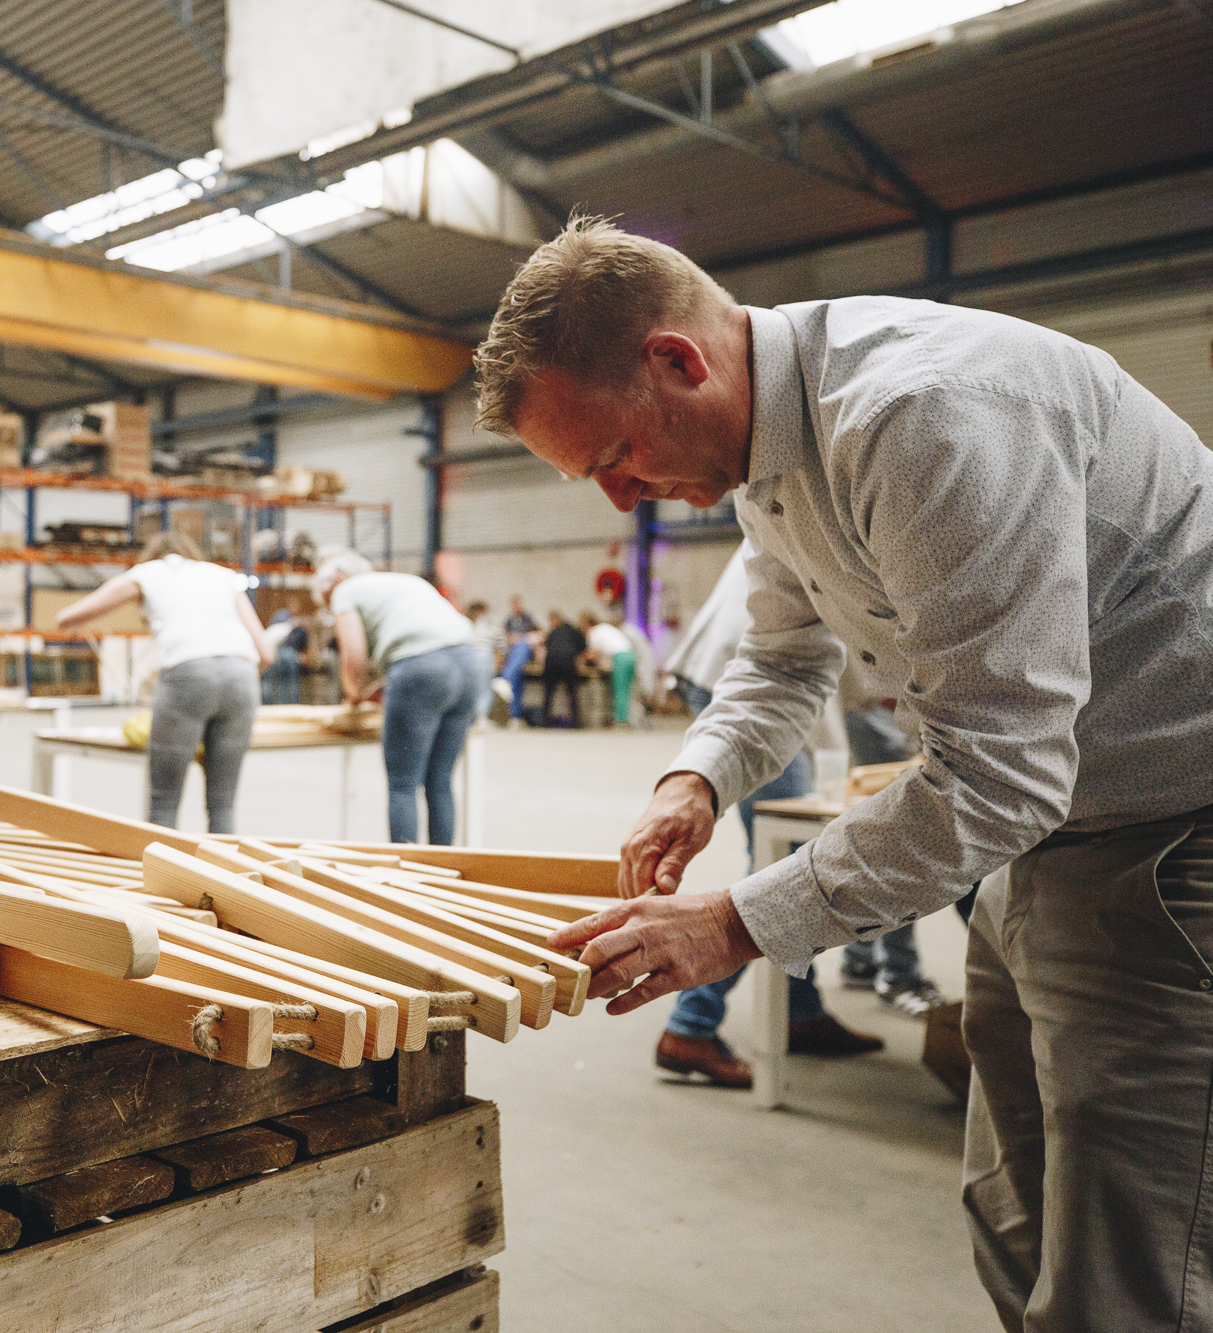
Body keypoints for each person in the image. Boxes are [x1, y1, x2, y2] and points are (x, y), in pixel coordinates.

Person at [476, 214, 1213, 1329]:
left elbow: (997, 774)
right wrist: (697, 779)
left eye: (613, 459)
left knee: (1127, 1267)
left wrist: (729, 922)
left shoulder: (922, 418)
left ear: (678, 361)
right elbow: (780, 655)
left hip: (1168, 835)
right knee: (1012, 1215)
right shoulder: (770, 455)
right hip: (1050, 837)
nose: (617, 502)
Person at [659, 541, 881, 1088]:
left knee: (778, 850)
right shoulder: (850, 517)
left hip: (730, 662)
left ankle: (800, 1012)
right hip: (740, 673)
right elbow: (806, 672)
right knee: (788, 854)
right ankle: (690, 1024)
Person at [55, 531, 272, 832]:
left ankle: (161, 875)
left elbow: (67, 618)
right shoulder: (222, 576)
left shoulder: (147, 573)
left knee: (164, 801)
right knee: (223, 804)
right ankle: (226, 875)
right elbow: (267, 652)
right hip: (242, 674)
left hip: (188, 672)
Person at [315, 551, 482, 844]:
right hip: (471, 665)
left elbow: (354, 659)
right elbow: (428, 640)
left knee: (403, 784)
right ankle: (442, 872)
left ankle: (406, 876)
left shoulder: (346, 590)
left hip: (422, 668)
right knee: (439, 781)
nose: (333, 610)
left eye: (328, 603)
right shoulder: (406, 583)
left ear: (337, 580)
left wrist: (353, 696)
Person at [838, 679, 947, 1017]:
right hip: (875, 698)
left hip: (879, 697)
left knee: (882, 829)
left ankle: (862, 959)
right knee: (898, 836)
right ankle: (899, 974)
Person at [579, 613, 636, 725]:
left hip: (620, 657)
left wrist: (582, 660)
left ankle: (621, 721)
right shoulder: (605, 628)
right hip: (631, 655)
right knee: (626, 691)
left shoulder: (594, 632)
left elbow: (593, 654)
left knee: (619, 691)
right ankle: (627, 718)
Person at [539, 611, 585, 727]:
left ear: (555, 620)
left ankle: (544, 722)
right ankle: (576, 723)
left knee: (548, 693)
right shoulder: (574, 630)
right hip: (568, 662)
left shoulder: (553, 631)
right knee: (572, 693)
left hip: (551, 662)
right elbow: (582, 648)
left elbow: (546, 647)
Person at [464, 599, 502, 719]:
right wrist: (500, 659)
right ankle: (481, 717)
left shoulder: (467, 625)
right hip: (485, 655)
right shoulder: (490, 626)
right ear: (482, 612)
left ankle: (471, 718)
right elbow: (501, 644)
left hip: (468, 656)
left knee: (470, 688)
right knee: (485, 688)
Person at [261, 609, 308, 706]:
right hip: (281, 654)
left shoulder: (274, 628)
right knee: (290, 683)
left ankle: (275, 705)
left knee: (277, 684)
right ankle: (291, 704)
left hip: (273, 654)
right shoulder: (291, 628)